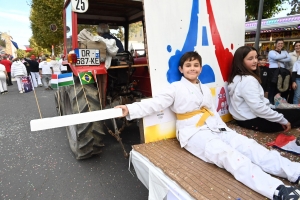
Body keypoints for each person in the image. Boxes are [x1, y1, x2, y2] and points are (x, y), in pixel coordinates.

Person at [115, 51, 300, 200]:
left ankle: (294, 171)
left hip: (215, 126)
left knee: (249, 146)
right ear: (181, 69)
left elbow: (212, 111)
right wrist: (129, 109)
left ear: (200, 68)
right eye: (188, 65)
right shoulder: (175, 88)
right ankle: (276, 190)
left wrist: (227, 132)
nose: (192, 68)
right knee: (230, 156)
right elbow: (155, 104)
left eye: (196, 65)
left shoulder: (204, 87)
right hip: (193, 133)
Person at [228, 46, 300, 133]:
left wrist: (273, 108)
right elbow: (258, 108)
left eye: (256, 57)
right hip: (253, 120)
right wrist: (282, 120)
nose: (255, 61)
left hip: (243, 118)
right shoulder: (248, 80)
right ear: (240, 61)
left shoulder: (237, 77)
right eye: (250, 58)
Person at [267, 38, 291, 104]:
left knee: (281, 86)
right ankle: (271, 102)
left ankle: (280, 102)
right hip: (273, 70)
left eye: (281, 43)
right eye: (279, 43)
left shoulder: (284, 52)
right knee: (273, 85)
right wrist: (284, 56)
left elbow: (289, 59)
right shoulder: (271, 52)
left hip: (282, 70)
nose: (280, 45)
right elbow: (275, 57)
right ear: (275, 44)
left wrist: (279, 59)